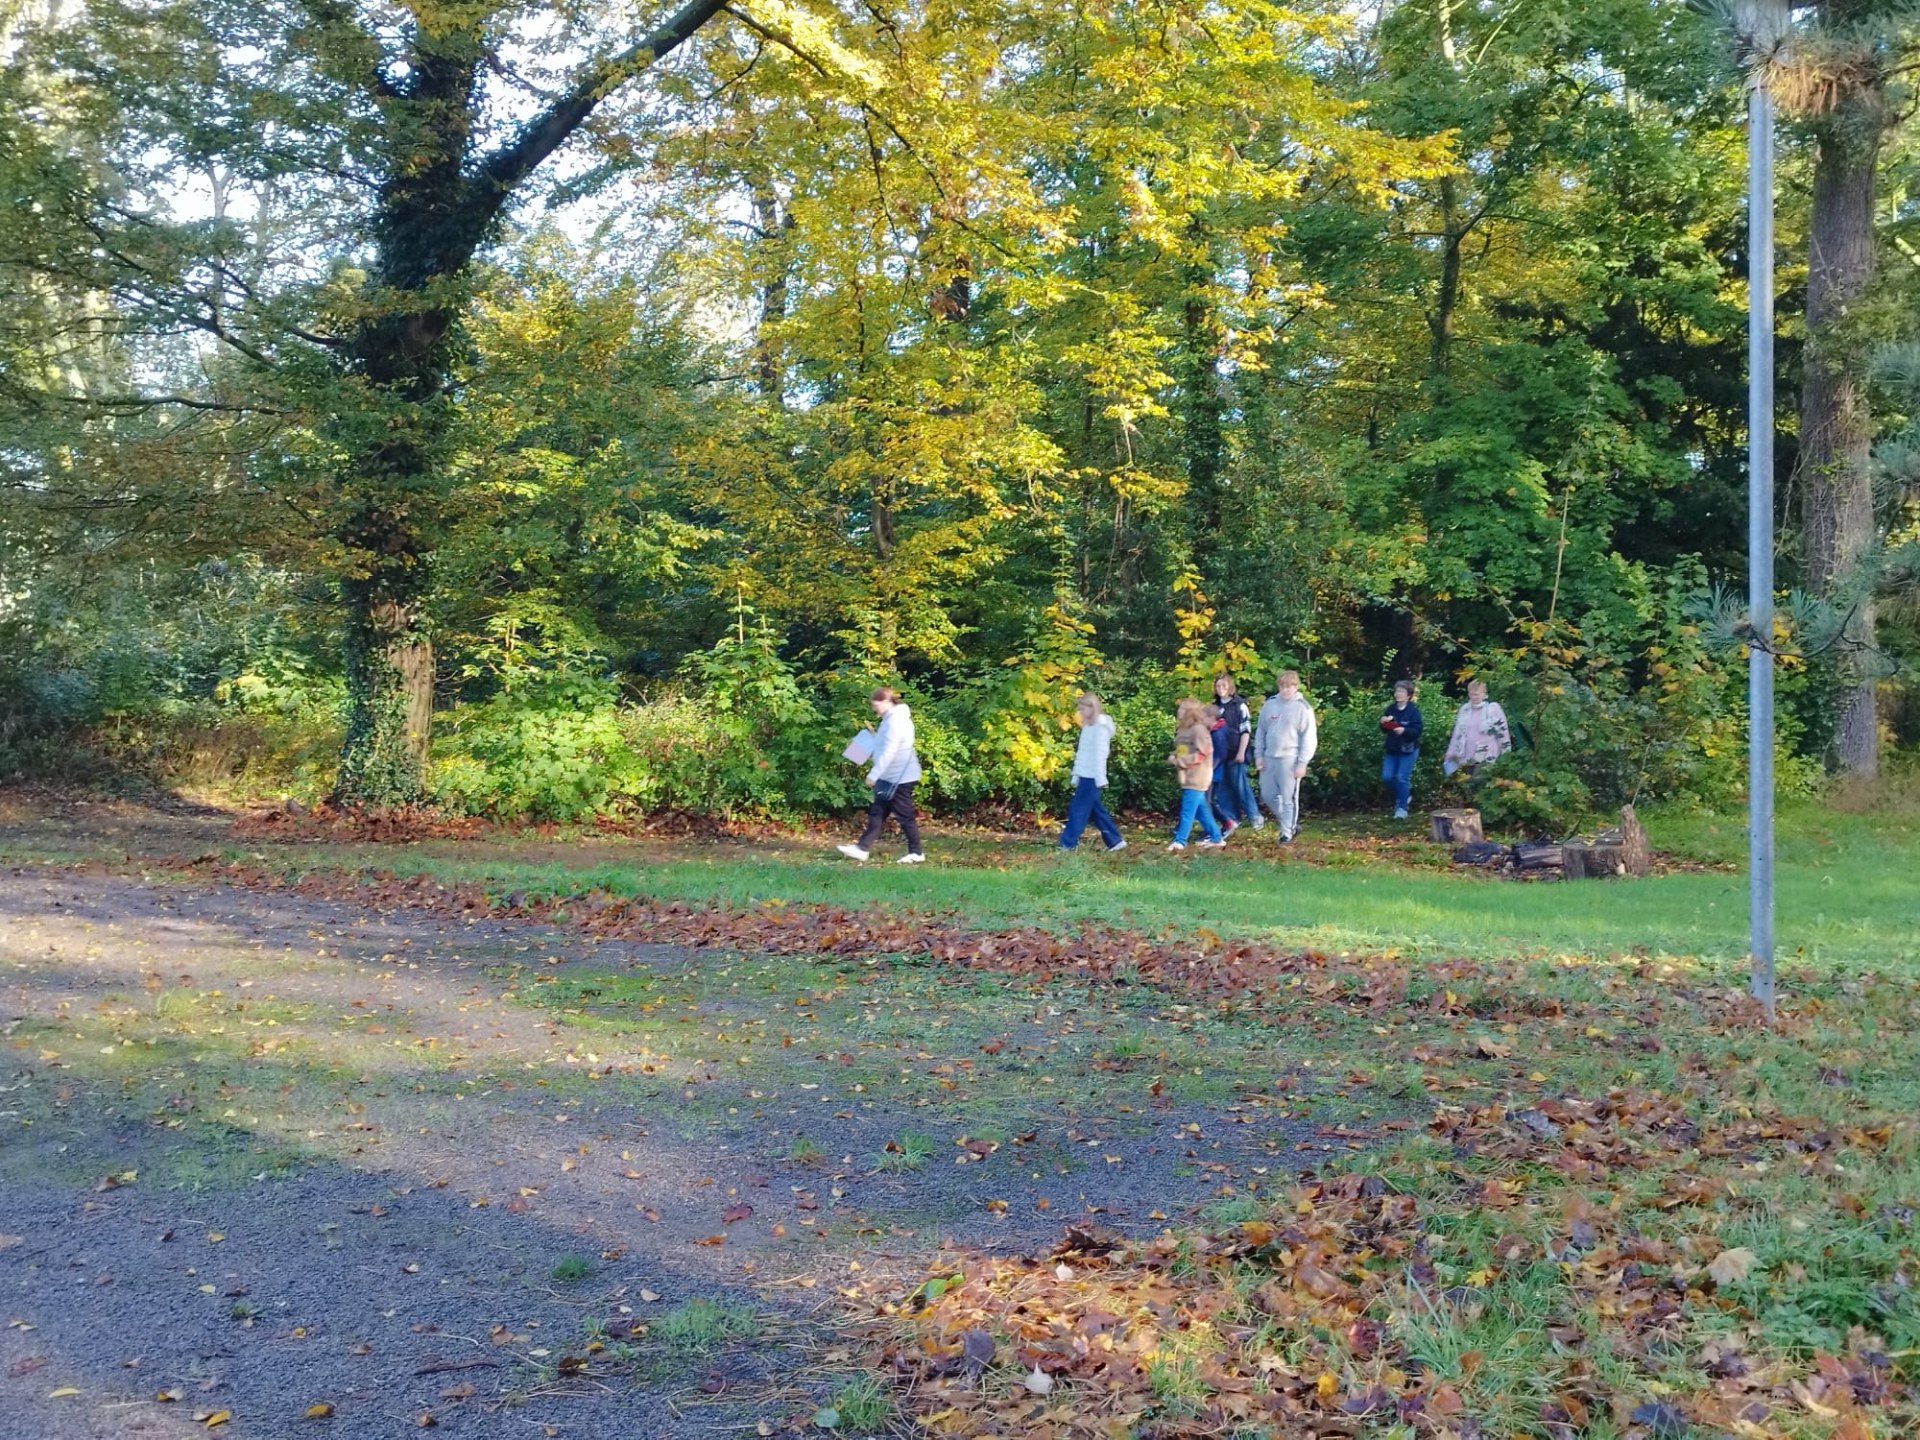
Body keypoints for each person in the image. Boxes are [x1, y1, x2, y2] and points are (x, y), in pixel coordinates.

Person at [837, 686, 926, 863]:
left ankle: (916, 853)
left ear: (886, 702)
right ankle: (862, 848)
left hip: (899, 777)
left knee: (905, 816)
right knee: (877, 812)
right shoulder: (889, 719)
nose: (873, 708)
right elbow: (886, 744)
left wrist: (874, 774)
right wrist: (871, 738)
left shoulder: (895, 721)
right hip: (890, 776)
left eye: (875, 704)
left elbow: (890, 751)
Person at [1057, 692, 1126, 853]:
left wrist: (1099, 776)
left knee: (1078, 810)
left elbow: (1100, 753)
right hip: (1085, 773)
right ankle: (1115, 841)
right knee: (1096, 811)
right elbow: (1083, 753)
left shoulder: (1100, 727)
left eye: (1082, 709)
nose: (1080, 713)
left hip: (1092, 775)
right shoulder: (1089, 726)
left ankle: (1067, 843)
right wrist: (1077, 774)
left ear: (1092, 707)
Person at [1254, 669, 1317, 843]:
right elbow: (1261, 731)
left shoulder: (1303, 707)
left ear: (1295, 687)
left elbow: (1309, 737)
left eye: (1289, 686)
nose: (1286, 690)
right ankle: (1289, 823)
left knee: (1289, 797)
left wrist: (1302, 763)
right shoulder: (1270, 704)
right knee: (1267, 794)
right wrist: (1258, 754)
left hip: (1290, 759)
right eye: (1282, 686)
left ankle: (1286, 833)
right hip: (1269, 757)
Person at [1166, 698, 1225, 852]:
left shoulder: (1199, 730)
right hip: (1186, 776)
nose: (1179, 712)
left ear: (1191, 712)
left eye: (1183, 709)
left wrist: (1182, 761)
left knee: (1187, 809)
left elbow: (1203, 753)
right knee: (1200, 810)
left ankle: (1180, 841)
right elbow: (1182, 749)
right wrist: (1174, 757)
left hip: (1198, 776)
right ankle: (1216, 837)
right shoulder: (1182, 729)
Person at [1210, 673, 1259, 835]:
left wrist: (1241, 752)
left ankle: (1254, 815)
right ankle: (1231, 818)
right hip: (1219, 755)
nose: (1221, 689)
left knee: (1240, 785)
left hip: (1236, 751)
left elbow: (1245, 731)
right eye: (1218, 686)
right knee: (1224, 787)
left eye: (1224, 686)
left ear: (1230, 687)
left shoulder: (1239, 705)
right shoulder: (1213, 706)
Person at [1442, 679, 1512, 783]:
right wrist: (1451, 752)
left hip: (1486, 754)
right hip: (1467, 755)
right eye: (1471, 694)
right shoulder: (1464, 710)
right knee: (1468, 784)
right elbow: (1457, 733)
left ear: (1484, 694)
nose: (1473, 697)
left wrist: (1506, 752)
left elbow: (1502, 732)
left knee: (1478, 782)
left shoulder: (1493, 709)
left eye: (1476, 694)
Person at [1379, 680, 1424, 821]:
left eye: (1401, 692)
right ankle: (1404, 796)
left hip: (1408, 750)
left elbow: (1417, 731)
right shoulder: (1391, 709)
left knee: (1401, 778)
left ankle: (1401, 808)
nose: (1398, 694)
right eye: (1396, 691)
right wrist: (1383, 722)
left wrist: (1404, 730)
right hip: (1392, 749)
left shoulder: (1413, 711)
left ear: (1409, 695)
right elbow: (1384, 729)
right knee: (1386, 777)